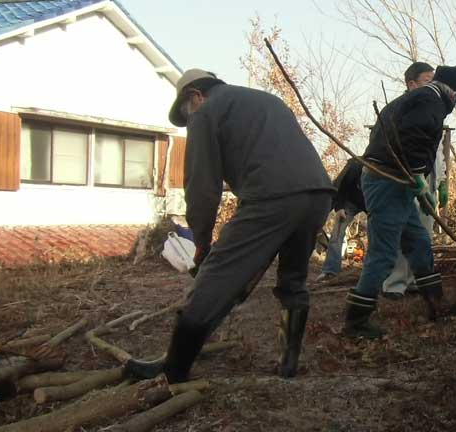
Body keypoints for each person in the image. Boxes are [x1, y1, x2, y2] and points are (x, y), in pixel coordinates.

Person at [124, 69, 334, 382]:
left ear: (195, 96)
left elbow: (202, 186)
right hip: (319, 193)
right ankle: (287, 365)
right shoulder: (266, 100)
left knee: (215, 277)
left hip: (271, 197)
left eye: (186, 112)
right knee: (293, 278)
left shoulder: (207, 111)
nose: (189, 118)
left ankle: (173, 371)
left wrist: (202, 242)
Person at [343, 64, 456, 338]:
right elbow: (414, 138)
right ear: (454, 92)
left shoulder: (416, 98)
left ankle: (436, 304)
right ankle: (356, 321)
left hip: (394, 180)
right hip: (389, 180)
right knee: (383, 252)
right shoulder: (430, 101)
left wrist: (416, 182)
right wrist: (417, 179)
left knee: (419, 242)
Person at [383, 62, 447, 297]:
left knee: (424, 233)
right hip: (405, 178)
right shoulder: (401, 109)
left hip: (428, 178)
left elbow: (437, 151)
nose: (433, 86)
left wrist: (442, 181)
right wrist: (413, 176)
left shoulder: (433, 109)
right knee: (404, 231)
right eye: (427, 80)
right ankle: (394, 284)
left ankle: (414, 280)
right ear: (411, 84)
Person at [318, 157, 365, 281]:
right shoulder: (355, 165)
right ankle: (330, 271)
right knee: (337, 233)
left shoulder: (384, 171)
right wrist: (339, 207)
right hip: (349, 201)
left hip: (370, 202)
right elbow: (340, 185)